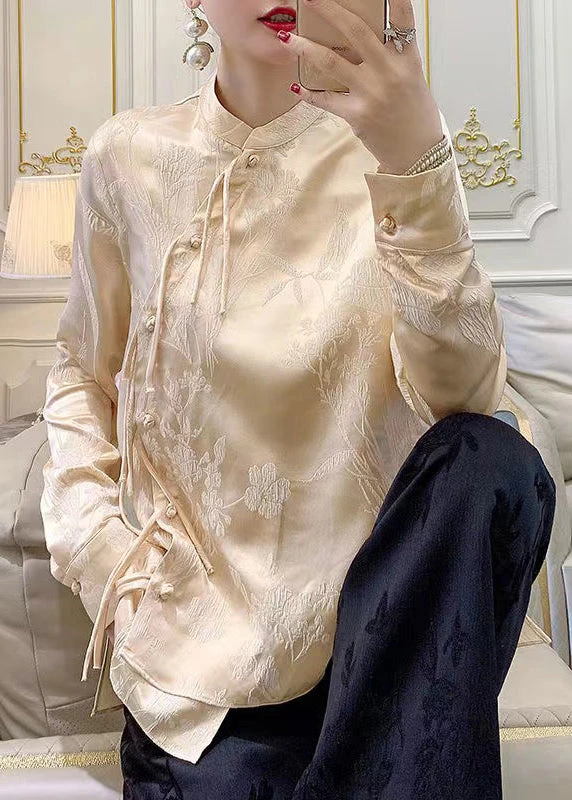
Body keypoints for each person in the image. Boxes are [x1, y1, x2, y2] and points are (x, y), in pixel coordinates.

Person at [39, 0, 556, 798]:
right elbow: (81, 376)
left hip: (381, 650)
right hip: (202, 676)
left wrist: (416, 159)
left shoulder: (393, 146)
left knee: (493, 459)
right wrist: (108, 563)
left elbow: (463, 397)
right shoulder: (126, 160)